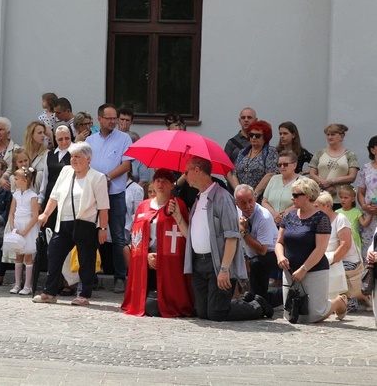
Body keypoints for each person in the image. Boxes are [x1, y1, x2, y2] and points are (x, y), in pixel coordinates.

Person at [183, 156, 273, 320]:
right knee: (202, 313)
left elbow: (232, 236)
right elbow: (192, 233)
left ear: (197, 170)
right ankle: (244, 302)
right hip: (199, 263)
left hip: (216, 264)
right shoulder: (198, 198)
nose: (184, 176)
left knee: (217, 313)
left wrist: (224, 270)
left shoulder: (222, 197)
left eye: (186, 172)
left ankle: (257, 305)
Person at [33, 142, 110, 306]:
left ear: (88, 159)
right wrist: (45, 214)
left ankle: (83, 294)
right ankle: (50, 292)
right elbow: (54, 196)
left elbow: (103, 207)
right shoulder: (66, 171)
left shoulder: (98, 177)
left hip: (85, 224)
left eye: (78, 157)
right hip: (63, 222)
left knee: (86, 260)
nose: (73, 160)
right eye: (72, 156)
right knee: (54, 255)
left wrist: (103, 228)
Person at [122, 169, 193, 317]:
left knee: (163, 304)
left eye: (165, 181)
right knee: (147, 304)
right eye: (158, 180)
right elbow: (136, 237)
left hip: (170, 260)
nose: (161, 184)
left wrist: (177, 215)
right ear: (153, 183)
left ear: (172, 185)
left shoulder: (177, 204)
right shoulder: (143, 206)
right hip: (147, 258)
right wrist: (146, 255)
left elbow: (186, 236)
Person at [275, 178, 347, 322]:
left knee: (314, 316)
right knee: (291, 315)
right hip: (289, 271)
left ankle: (338, 302)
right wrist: (280, 257)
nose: (292, 198)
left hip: (314, 269)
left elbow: (320, 249)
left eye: (295, 195)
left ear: (307, 197)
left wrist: (304, 268)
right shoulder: (288, 217)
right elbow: (279, 243)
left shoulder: (321, 219)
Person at [86, 103, 132, 294]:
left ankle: (120, 277)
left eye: (115, 118)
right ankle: (91, 276)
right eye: (110, 118)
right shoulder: (90, 140)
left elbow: (127, 165)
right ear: (100, 119)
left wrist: (107, 177)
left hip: (115, 194)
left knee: (118, 236)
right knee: (91, 236)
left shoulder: (124, 138)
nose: (114, 121)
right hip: (94, 195)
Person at [316, 191, 367, 312]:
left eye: (317, 206)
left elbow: (345, 245)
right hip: (328, 257)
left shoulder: (340, 219)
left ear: (327, 206)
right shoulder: (318, 220)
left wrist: (329, 261)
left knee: (326, 268)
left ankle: (345, 300)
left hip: (347, 259)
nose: (314, 210)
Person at [235, 184, 279, 301]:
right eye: (243, 203)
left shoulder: (263, 217)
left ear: (255, 198)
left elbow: (262, 250)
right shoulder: (236, 213)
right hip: (251, 253)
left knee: (257, 263)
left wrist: (243, 232)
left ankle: (263, 298)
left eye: (250, 201)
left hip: (273, 253)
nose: (248, 206)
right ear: (236, 203)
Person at [7, 166, 40, 295]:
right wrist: (12, 227)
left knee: (28, 255)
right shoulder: (15, 194)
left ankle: (27, 285)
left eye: (16, 179)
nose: (14, 181)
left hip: (28, 226)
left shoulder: (32, 196)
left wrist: (26, 231)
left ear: (25, 180)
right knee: (18, 255)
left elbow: (35, 215)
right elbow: (11, 212)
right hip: (17, 225)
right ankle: (17, 284)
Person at [309, 123, 359, 208]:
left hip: (342, 199)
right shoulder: (319, 153)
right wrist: (324, 184)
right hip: (321, 198)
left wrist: (331, 181)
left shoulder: (350, 155)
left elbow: (352, 177)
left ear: (341, 136)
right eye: (328, 134)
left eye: (333, 134)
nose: (329, 137)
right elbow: (312, 173)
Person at [227, 120, 278, 200]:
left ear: (265, 137)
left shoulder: (270, 152)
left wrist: (254, 195)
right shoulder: (242, 152)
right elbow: (234, 174)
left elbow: (270, 174)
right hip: (242, 199)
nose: (253, 137)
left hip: (260, 198)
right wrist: (239, 193)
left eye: (257, 136)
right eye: (251, 135)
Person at [262, 150, 301, 226]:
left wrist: (282, 215)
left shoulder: (302, 181)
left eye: (285, 164)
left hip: (293, 224)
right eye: (279, 165)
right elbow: (264, 201)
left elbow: (302, 203)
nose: (282, 167)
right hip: (272, 223)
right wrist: (274, 214)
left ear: (294, 165)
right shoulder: (274, 179)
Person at [355, 135, 377, 260]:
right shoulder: (366, 168)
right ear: (372, 150)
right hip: (369, 215)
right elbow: (361, 191)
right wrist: (364, 206)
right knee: (367, 248)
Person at [23, 121, 49, 205]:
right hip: (21, 191)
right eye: (39, 133)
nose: (43, 136)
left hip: (37, 194)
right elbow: (11, 170)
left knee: (39, 174)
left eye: (44, 133)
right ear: (31, 135)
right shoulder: (21, 152)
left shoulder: (47, 154)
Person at [335, 185, 362, 255]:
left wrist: (370, 214)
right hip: (341, 239)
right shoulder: (337, 212)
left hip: (355, 239)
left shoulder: (356, 211)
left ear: (352, 199)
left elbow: (364, 223)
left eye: (345, 198)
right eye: (341, 197)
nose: (342, 200)